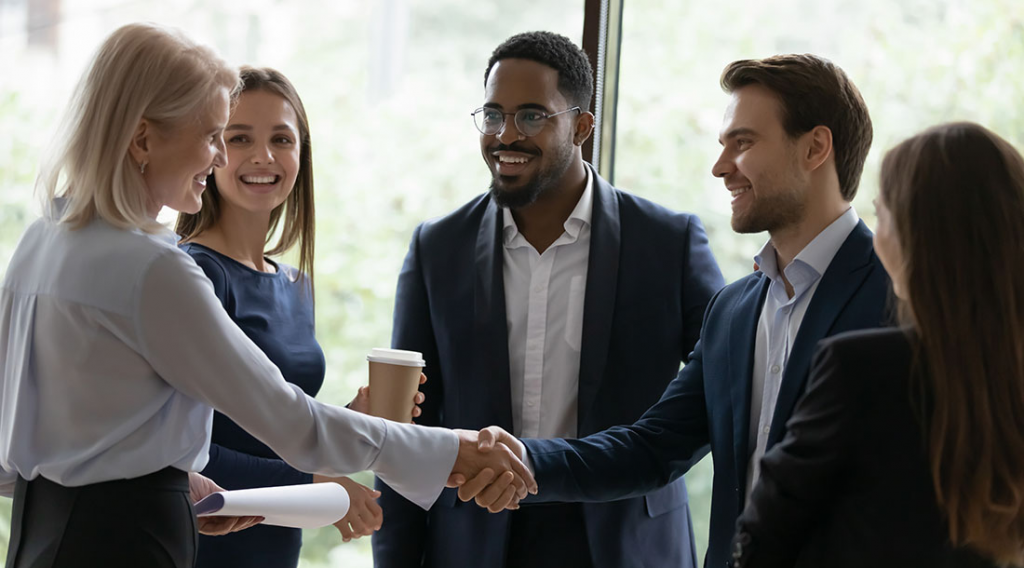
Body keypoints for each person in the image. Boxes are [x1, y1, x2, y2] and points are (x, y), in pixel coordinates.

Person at [0, 23, 532, 568]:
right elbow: (290, 420)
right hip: (130, 543)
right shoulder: (154, 268)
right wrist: (453, 450)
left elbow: (25, 443)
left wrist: (172, 481)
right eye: (213, 136)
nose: (217, 157)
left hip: (39, 538)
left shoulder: (43, 239)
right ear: (143, 140)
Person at [458, 53, 892, 568]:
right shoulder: (732, 312)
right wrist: (525, 458)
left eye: (743, 143)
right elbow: (651, 448)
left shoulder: (901, 298)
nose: (720, 166)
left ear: (815, 147)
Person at [372, 31, 724, 568]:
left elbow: (719, 388)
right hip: (475, 540)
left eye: (532, 116)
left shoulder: (668, 243)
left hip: (626, 539)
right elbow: (404, 428)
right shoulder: (437, 248)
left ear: (582, 126)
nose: (506, 135)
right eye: (493, 115)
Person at [730, 122, 1024, 568]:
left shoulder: (862, 369)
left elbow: (764, 533)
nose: (875, 235)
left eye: (882, 216)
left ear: (916, 239)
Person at [175, 66, 402, 567]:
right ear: (211, 151)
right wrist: (316, 484)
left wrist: (353, 419)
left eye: (281, 139)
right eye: (239, 138)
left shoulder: (296, 284)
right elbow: (186, 451)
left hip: (275, 549)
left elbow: (277, 433)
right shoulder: (194, 273)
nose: (263, 156)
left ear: (302, 154)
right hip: (202, 547)